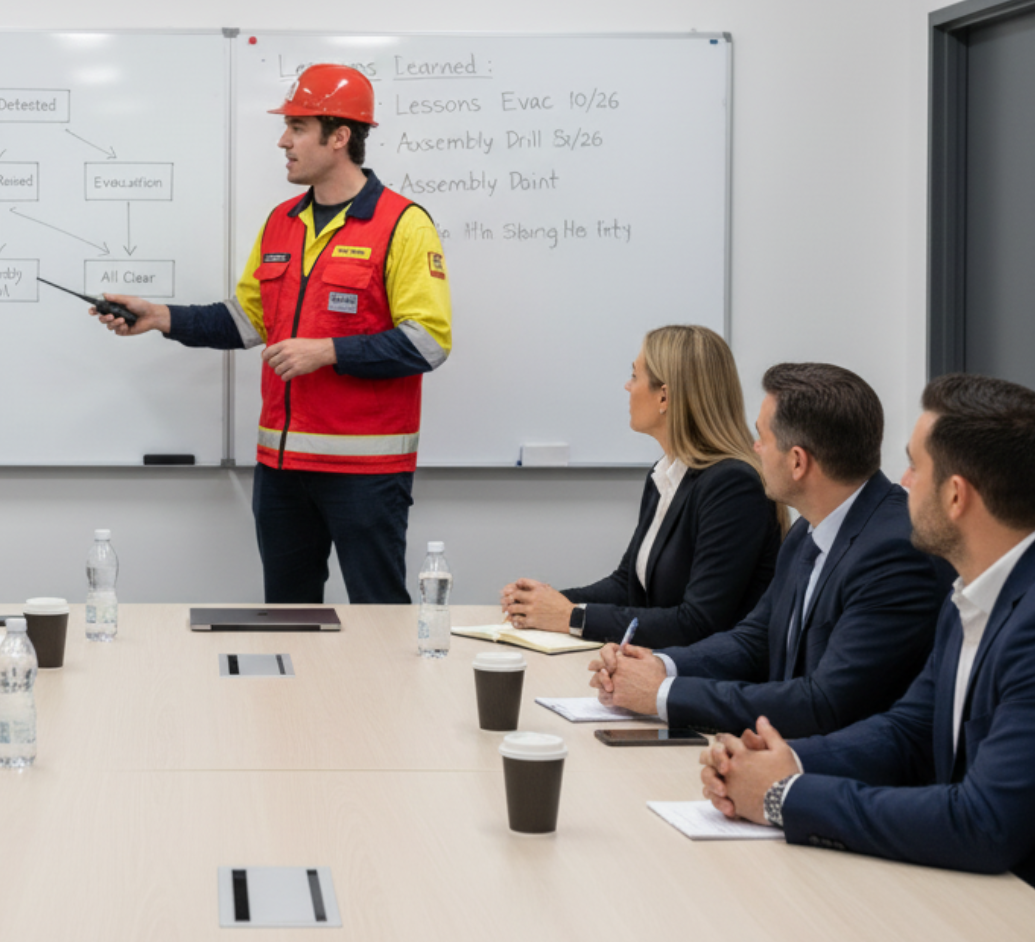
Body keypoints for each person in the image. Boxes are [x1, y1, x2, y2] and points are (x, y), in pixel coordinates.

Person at [701, 374, 1035, 936]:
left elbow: (982, 823)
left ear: (956, 495)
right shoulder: (977, 587)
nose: (902, 484)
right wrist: (789, 762)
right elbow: (910, 729)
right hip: (995, 895)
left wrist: (787, 797)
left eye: (914, 467)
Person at [86, 64, 452, 604]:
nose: (283, 141)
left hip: (365, 475)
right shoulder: (282, 221)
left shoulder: (402, 224)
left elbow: (429, 342)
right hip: (281, 471)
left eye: (297, 127)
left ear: (340, 136)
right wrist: (159, 316)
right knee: (288, 616)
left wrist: (328, 351)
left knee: (379, 618)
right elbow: (247, 320)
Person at [589, 363, 949, 737]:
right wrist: (659, 664)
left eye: (761, 437)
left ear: (797, 461)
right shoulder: (808, 531)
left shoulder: (895, 553)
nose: (754, 448)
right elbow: (753, 640)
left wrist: (664, 694)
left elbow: (824, 704)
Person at [499, 324, 783, 648]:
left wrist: (571, 617)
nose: (627, 386)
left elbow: (698, 622)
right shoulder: (665, 475)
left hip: (706, 683)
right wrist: (546, 603)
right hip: (658, 669)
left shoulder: (732, 486)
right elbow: (627, 585)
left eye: (634, 376)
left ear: (664, 395)